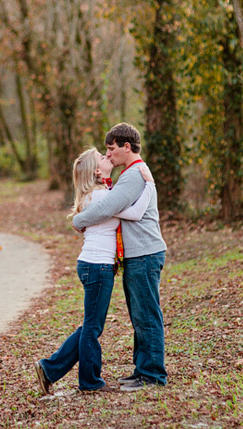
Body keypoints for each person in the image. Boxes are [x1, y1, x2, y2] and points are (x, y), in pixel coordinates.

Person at [35, 147, 154, 395]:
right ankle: (89, 381)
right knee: (92, 327)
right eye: (102, 156)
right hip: (97, 266)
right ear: (96, 170)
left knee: (90, 325)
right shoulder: (101, 198)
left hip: (93, 264)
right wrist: (150, 186)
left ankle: (50, 369)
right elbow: (135, 212)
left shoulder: (98, 194)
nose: (107, 156)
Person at [71, 123, 167, 392]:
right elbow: (114, 208)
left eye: (111, 149)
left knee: (146, 314)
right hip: (138, 254)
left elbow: (109, 207)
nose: (109, 154)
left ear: (127, 147)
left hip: (145, 253)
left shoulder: (135, 175)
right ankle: (143, 369)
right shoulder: (130, 175)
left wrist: (78, 219)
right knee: (139, 315)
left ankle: (152, 374)